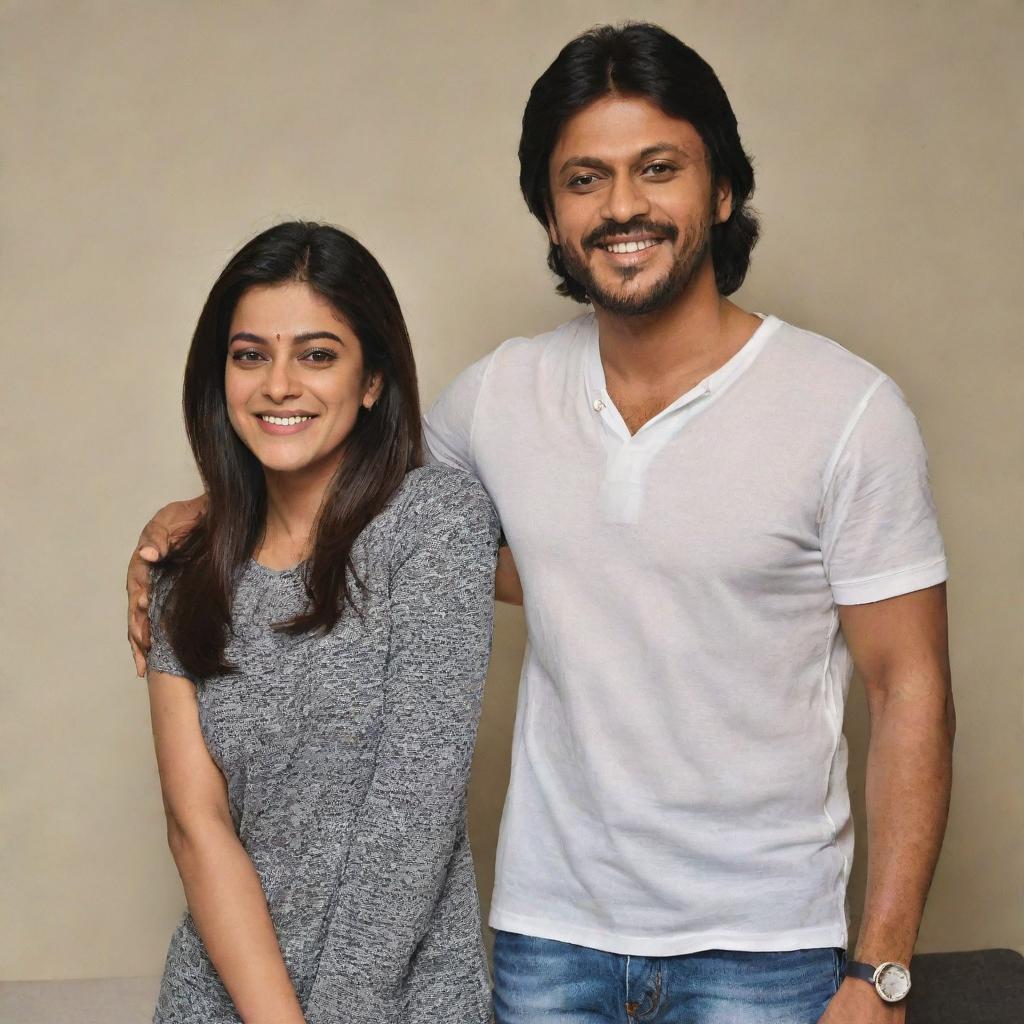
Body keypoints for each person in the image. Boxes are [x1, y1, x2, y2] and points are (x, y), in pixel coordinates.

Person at [128, 23, 955, 1024]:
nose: (621, 207)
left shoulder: (846, 410)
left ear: (723, 190)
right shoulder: (500, 399)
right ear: (552, 217)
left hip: (762, 945)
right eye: (583, 180)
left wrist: (880, 970)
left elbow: (907, 688)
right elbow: (336, 466)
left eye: (658, 169)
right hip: (549, 938)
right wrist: (209, 510)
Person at [140, 221, 498, 1024]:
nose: (278, 385)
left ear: (371, 379)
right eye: (250, 355)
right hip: (217, 1002)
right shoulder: (183, 574)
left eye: (317, 353)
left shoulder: (434, 524)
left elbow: (415, 804)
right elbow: (198, 830)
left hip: (406, 1003)